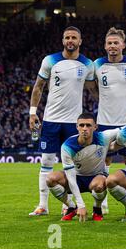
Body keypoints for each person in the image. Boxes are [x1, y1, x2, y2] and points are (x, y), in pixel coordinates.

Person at [29, 26, 97, 216]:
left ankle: (68, 203)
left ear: (80, 41)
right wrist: (33, 112)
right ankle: (43, 205)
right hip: (51, 120)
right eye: (67, 37)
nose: (70, 40)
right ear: (62, 40)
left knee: (73, 164)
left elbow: (93, 91)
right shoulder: (50, 60)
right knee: (47, 160)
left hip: (73, 122)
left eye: (74, 37)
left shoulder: (87, 64)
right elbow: (38, 87)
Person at [94, 27, 126, 214]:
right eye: (109, 43)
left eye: (116, 43)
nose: (112, 46)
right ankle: (102, 204)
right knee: (103, 162)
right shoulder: (97, 64)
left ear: (123, 45)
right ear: (105, 46)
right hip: (104, 120)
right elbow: (91, 87)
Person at [46, 113, 117, 222]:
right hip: (76, 177)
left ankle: (97, 208)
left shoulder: (104, 137)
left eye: (88, 125)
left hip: (96, 177)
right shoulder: (67, 146)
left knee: (99, 185)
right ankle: (71, 207)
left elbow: (125, 129)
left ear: (95, 127)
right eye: (82, 125)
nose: (85, 129)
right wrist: (80, 205)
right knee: (51, 179)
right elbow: (71, 178)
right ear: (77, 127)